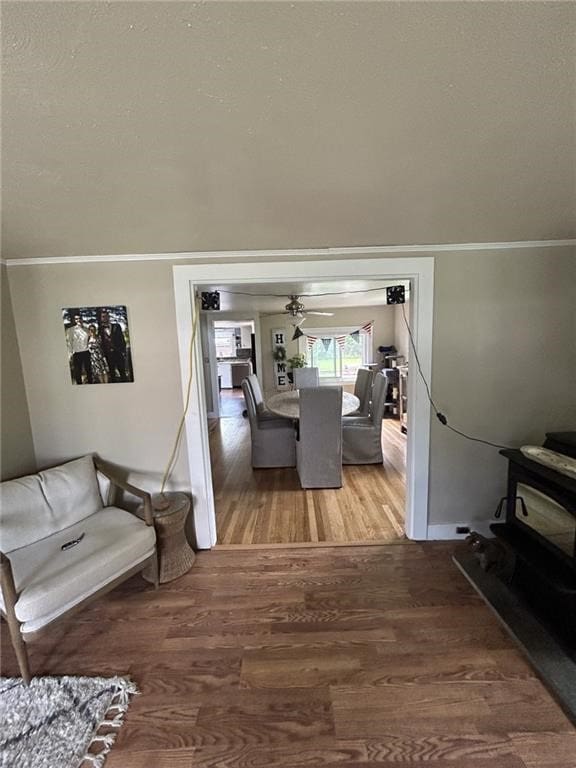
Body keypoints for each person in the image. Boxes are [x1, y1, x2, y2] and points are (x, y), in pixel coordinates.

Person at [98, 309, 127, 382]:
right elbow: (101, 342)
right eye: (102, 317)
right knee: (112, 373)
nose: (104, 318)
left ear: (108, 317)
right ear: (101, 318)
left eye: (105, 316)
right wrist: (103, 354)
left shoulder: (117, 326)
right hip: (108, 355)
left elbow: (122, 339)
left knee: (122, 372)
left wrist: (123, 351)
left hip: (118, 352)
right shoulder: (100, 329)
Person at [66, 314, 93, 384]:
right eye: (76, 319)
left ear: (82, 319)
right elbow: (69, 343)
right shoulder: (71, 330)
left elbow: (90, 340)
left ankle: (90, 383)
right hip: (77, 353)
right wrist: (70, 354)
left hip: (86, 352)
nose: (79, 320)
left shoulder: (87, 330)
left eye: (80, 318)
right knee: (78, 372)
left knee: (89, 371)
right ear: (75, 320)